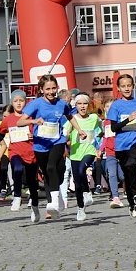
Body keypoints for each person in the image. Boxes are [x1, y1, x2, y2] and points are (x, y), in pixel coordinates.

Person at [17, 74, 87, 220]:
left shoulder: (61, 104)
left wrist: (79, 130)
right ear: (41, 90)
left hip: (57, 141)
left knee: (52, 168)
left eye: (53, 88)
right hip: (40, 145)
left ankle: (54, 202)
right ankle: (57, 198)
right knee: (48, 174)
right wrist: (35, 121)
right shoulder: (36, 104)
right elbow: (20, 122)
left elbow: (70, 116)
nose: (51, 92)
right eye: (47, 89)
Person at [0, 90, 41, 222]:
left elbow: (41, 132)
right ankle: (17, 197)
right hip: (15, 152)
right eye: (16, 101)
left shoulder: (31, 117)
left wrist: (35, 136)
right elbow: (0, 134)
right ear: (12, 103)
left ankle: (35, 208)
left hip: (31, 153)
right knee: (17, 169)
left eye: (21, 100)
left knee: (32, 183)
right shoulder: (8, 119)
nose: (19, 103)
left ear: (25, 102)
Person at [107, 74, 136, 217]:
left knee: (131, 165)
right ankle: (132, 202)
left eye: (129, 85)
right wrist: (128, 120)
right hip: (121, 145)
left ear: (133, 86)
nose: (127, 88)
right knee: (126, 176)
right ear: (118, 88)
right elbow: (113, 128)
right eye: (123, 86)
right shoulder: (116, 105)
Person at [66, 93, 102, 221]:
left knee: (82, 170)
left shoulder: (94, 118)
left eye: (85, 103)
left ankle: (87, 192)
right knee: (78, 183)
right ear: (75, 105)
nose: (82, 106)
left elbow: (102, 128)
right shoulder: (72, 119)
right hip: (75, 154)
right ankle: (80, 209)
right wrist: (68, 135)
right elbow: (65, 135)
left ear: (89, 105)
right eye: (79, 104)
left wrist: (101, 139)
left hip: (90, 151)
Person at [98, 97, 125, 208]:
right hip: (110, 152)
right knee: (112, 174)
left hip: (121, 151)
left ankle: (131, 192)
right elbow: (105, 137)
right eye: (108, 106)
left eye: (112, 106)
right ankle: (115, 197)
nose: (110, 109)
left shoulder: (120, 120)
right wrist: (101, 149)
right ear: (104, 108)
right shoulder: (105, 122)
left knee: (123, 176)